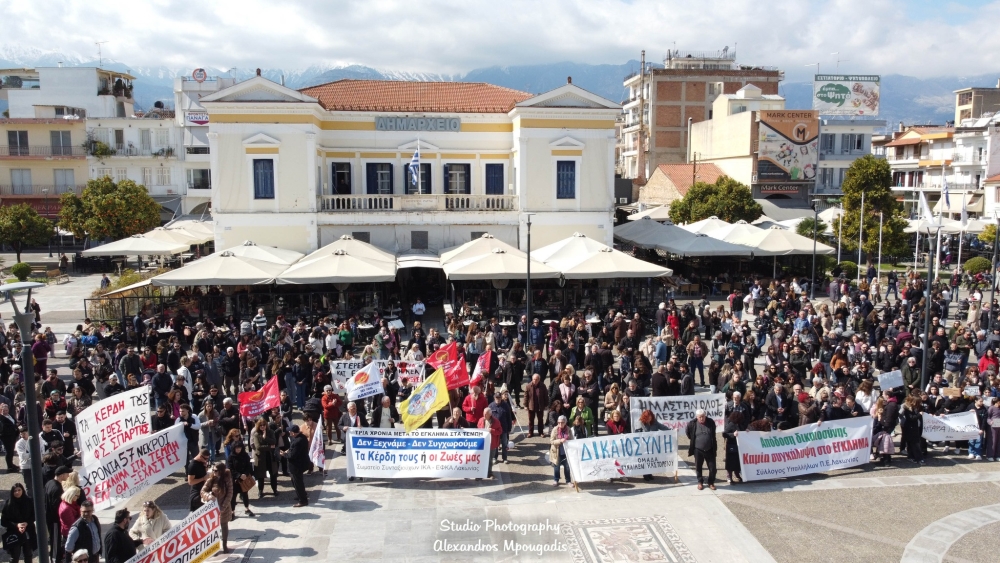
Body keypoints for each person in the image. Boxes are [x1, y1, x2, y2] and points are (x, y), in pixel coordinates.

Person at [201, 462, 233, 553]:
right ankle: (213, 548)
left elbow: (229, 494)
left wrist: (222, 508)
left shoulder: (227, 479)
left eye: (216, 470)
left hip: (224, 507)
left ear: (221, 471)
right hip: (212, 508)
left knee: (224, 526)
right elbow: (203, 491)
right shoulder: (211, 479)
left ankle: (224, 545)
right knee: (212, 529)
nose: (214, 472)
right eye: (213, 470)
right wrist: (208, 496)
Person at [1, 483, 34, 563]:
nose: (17, 492)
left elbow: (34, 515)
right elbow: (4, 521)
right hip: (14, 533)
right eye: (15, 491)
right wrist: (17, 525)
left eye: (19, 490)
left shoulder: (29, 501)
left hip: (28, 531)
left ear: (23, 490)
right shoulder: (8, 504)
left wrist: (27, 523)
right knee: (15, 556)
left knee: (28, 554)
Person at [685, 409, 718, 490]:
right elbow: (688, 433)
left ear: (705, 415)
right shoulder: (692, 423)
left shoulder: (710, 422)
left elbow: (713, 433)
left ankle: (711, 482)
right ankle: (700, 482)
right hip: (698, 449)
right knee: (698, 467)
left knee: (712, 468)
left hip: (710, 449)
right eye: (700, 417)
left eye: (703, 416)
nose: (702, 418)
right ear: (697, 417)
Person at [634, 409, 668, 481]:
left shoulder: (654, 422)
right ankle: (645, 474)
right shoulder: (640, 423)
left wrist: (671, 430)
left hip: (652, 445)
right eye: (648, 417)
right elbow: (637, 434)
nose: (649, 419)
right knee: (645, 460)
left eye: (650, 417)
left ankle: (649, 473)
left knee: (651, 460)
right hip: (644, 445)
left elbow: (662, 427)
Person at [251, 417, 280, 495]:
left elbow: (274, 441)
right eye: (261, 425)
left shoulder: (270, 432)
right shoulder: (256, 434)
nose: (263, 426)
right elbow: (258, 447)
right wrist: (270, 447)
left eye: (264, 425)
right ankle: (260, 490)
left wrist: (265, 438)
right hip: (261, 458)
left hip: (270, 457)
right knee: (260, 476)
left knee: (273, 475)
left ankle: (275, 489)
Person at [226, 441, 255, 517]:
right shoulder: (231, 457)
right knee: (233, 496)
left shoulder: (245, 455)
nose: (238, 449)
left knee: (245, 494)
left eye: (240, 448)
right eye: (237, 448)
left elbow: (249, 466)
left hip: (244, 478)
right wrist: (238, 475)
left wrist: (245, 474)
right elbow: (230, 469)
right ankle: (232, 511)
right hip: (235, 480)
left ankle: (247, 508)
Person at [285, 425, 310, 507]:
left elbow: (292, 455)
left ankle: (303, 500)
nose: (289, 433)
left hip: (297, 465)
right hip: (300, 463)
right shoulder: (302, 437)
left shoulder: (298, 441)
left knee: (298, 482)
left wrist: (284, 454)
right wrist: (289, 450)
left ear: (293, 433)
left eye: (290, 431)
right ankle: (302, 494)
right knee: (295, 481)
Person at [549, 415, 572, 486]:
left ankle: (568, 481)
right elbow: (552, 441)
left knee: (567, 467)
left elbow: (572, 439)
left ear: (565, 422)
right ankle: (556, 480)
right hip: (557, 452)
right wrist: (560, 441)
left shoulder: (568, 429)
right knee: (556, 467)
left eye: (562, 422)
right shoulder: (555, 429)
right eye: (559, 422)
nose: (560, 424)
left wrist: (567, 440)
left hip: (566, 452)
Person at [723, 411, 745, 484]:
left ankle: (737, 474)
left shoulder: (740, 425)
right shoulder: (731, 425)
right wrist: (733, 434)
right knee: (730, 462)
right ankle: (729, 476)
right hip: (731, 446)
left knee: (737, 462)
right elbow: (724, 433)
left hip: (738, 446)